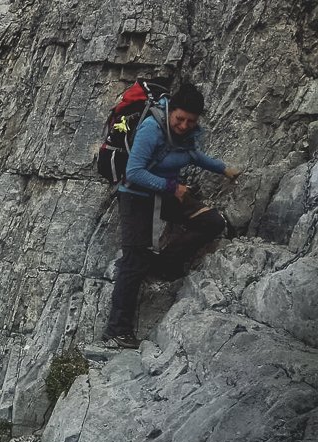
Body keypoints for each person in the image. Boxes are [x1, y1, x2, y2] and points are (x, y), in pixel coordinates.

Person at [102, 83, 241, 349]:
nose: (185, 125)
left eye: (191, 121)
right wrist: (171, 187)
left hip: (166, 195)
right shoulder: (151, 129)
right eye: (180, 119)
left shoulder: (185, 135)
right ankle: (116, 331)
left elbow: (192, 155)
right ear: (170, 111)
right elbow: (134, 172)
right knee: (134, 260)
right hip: (136, 197)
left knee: (211, 222)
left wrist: (224, 169)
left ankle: (163, 265)